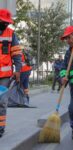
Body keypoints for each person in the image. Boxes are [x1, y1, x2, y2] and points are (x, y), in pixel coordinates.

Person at [0, 9, 22, 137]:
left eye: (7, 23)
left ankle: (0, 128)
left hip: (5, 77)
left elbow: (17, 54)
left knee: (2, 101)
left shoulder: (11, 34)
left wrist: (18, 70)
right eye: (4, 22)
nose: (6, 25)